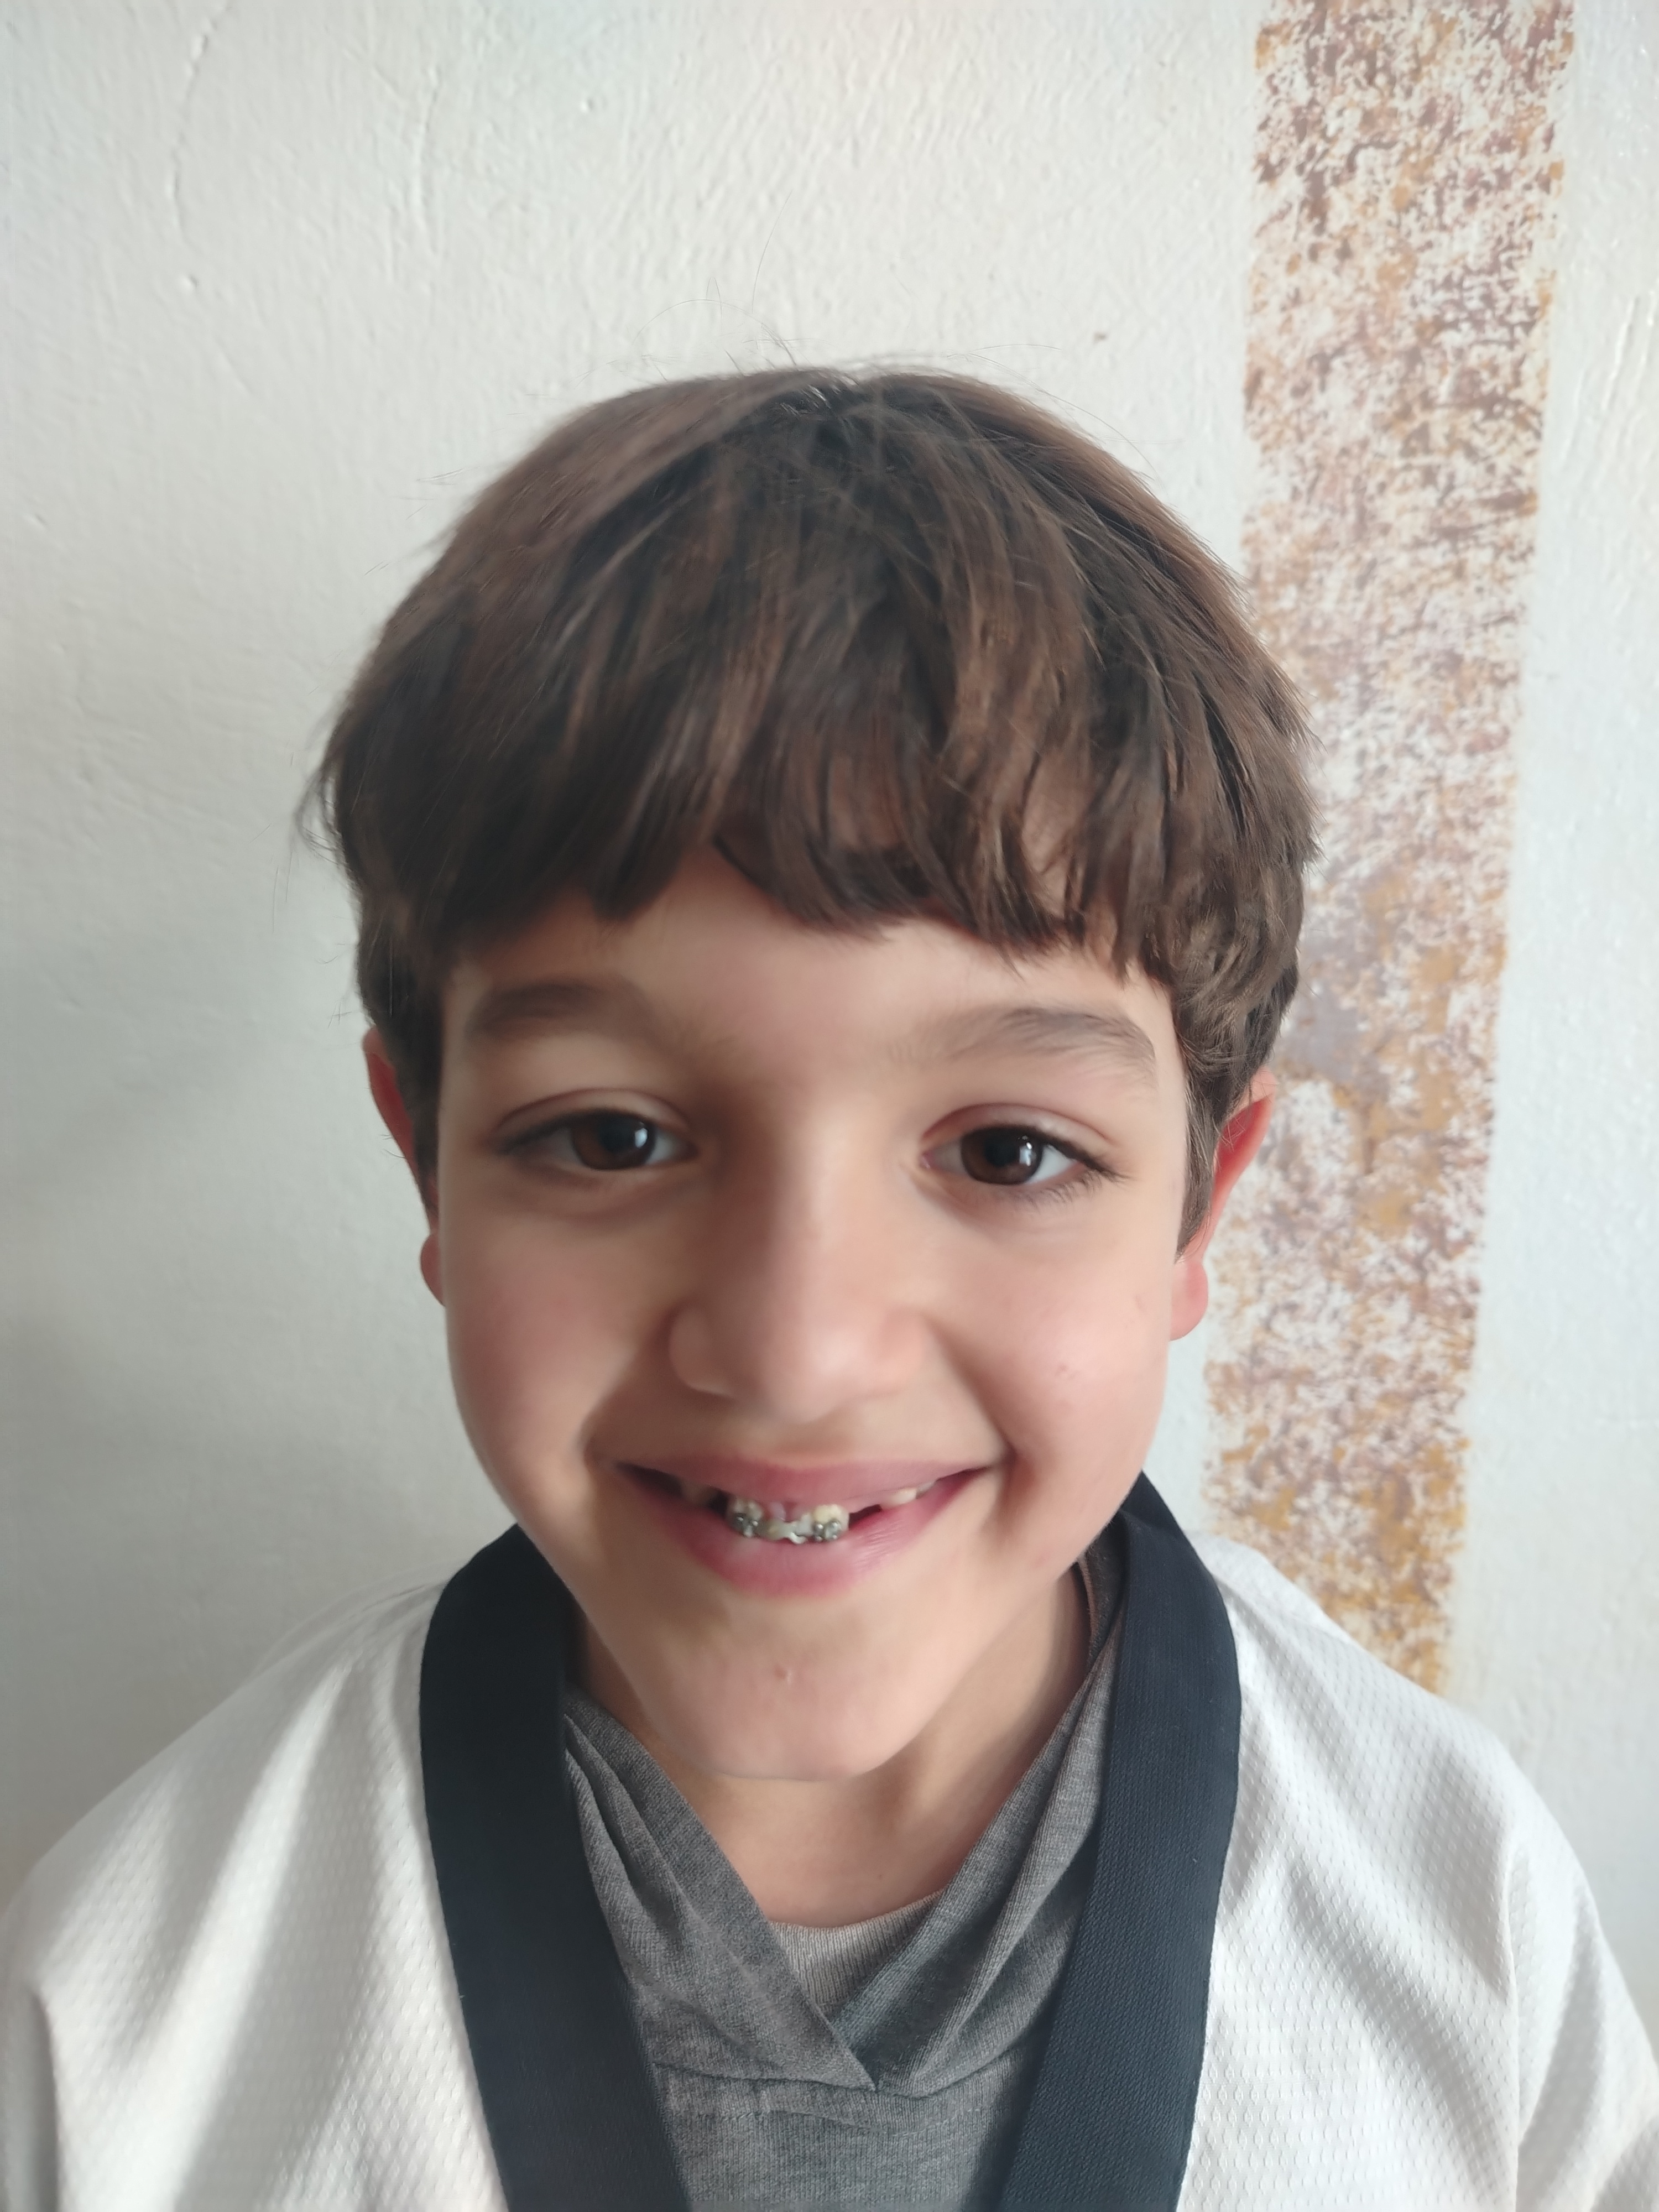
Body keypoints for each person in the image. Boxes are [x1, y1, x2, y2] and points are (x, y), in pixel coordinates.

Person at [2, 368, 1653, 2212]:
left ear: (1201, 1206)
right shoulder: (125, 2016)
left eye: (1008, 1152)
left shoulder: (1463, 1923)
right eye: (614, 1138)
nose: (796, 1355)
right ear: (429, 1164)